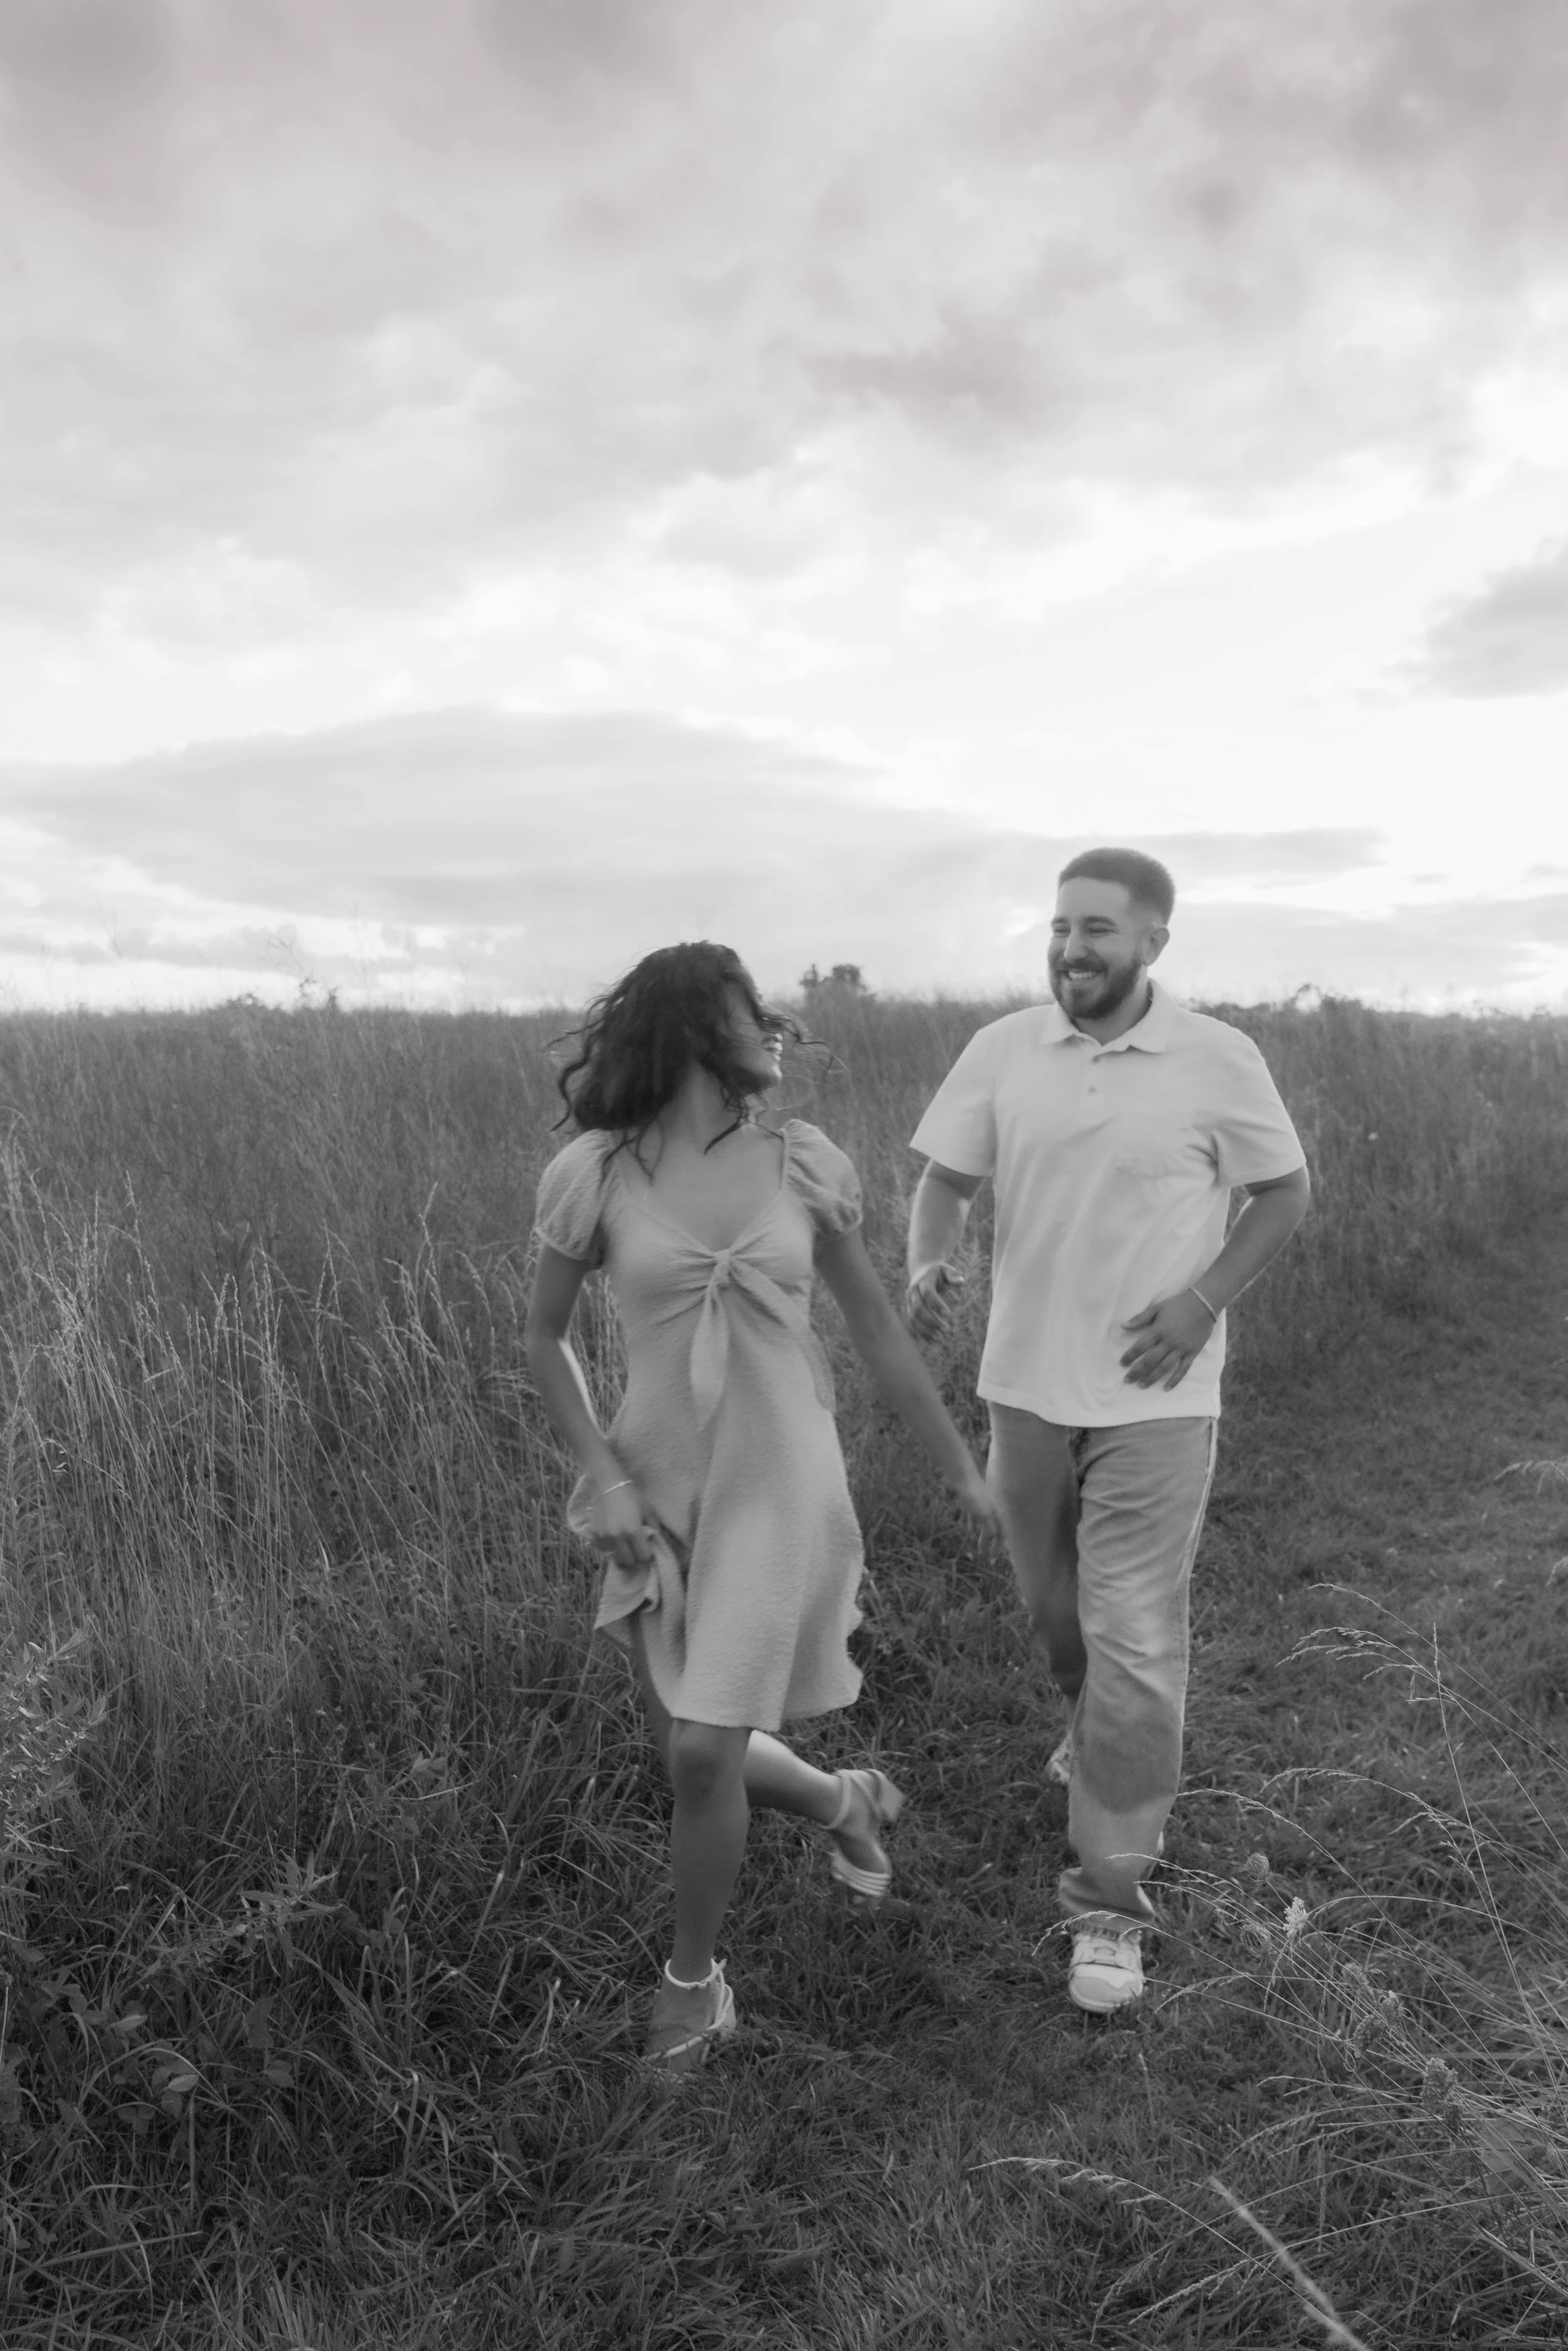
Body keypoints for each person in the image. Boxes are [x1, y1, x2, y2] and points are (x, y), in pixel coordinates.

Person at [525, 942, 1000, 2071]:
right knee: (700, 1748)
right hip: (656, 1485)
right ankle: (850, 1802)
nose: (777, 1028)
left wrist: (962, 1471)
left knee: (699, 1753)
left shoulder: (804, 1165)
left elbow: (877, 1331)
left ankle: (693, 1989)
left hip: (784, 1478)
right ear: (695, 1028)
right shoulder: (596, 1174)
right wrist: (605, 1475)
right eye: (752, 1012)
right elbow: (541, 1344)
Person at [904, 849, 1310, 2014]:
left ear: (1153, 944)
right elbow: (945, 1181)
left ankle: (1109, 1910)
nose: (1073, 949)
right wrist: (930, 1258)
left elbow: (1283, 1194)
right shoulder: (1004, 1052)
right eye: (1061, 927)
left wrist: (1200, 1304)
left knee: (1131, 1634)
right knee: (1057, 1620)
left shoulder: (1218, 1058)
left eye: (1100, 931)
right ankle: (1099, 1738)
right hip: (1025, 1388)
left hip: (1158, 1401)